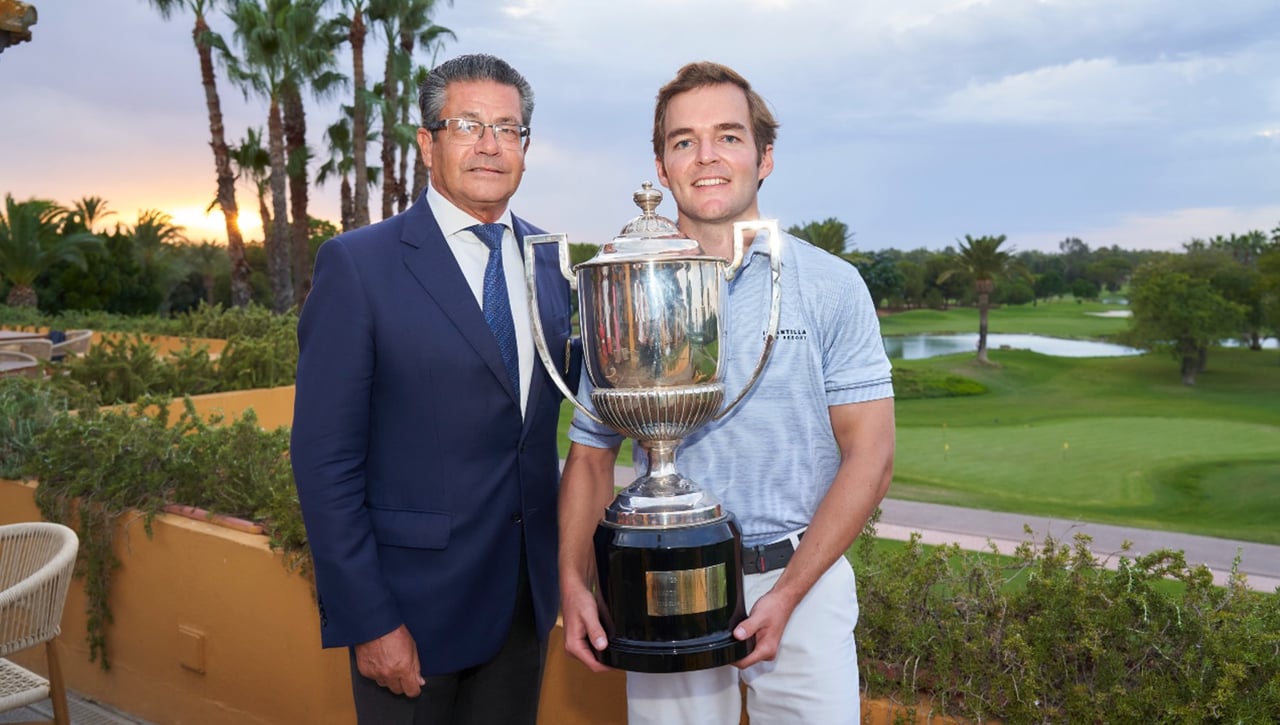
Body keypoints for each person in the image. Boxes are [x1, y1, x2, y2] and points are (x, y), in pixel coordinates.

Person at [557, 61, 896, 724]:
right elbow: (591, 456)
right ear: (661, 165)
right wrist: (573, 582)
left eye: (729, 137)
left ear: (765, 156)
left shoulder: (830, 285)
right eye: (684, 140)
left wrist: (789, 594)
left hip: (803, 579)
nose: (706, 156)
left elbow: (872, 456)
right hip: (658, 580)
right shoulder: (627, 287)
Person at [291, 53, 576, 725]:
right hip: (410, 614)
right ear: (427, 142)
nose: (490, 144)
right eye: (468, 124)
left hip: (523, 609)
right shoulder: (359, 265)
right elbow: (324, 460)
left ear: (526, 150)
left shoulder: (550, 262)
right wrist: (369, 619)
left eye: (508, 129)